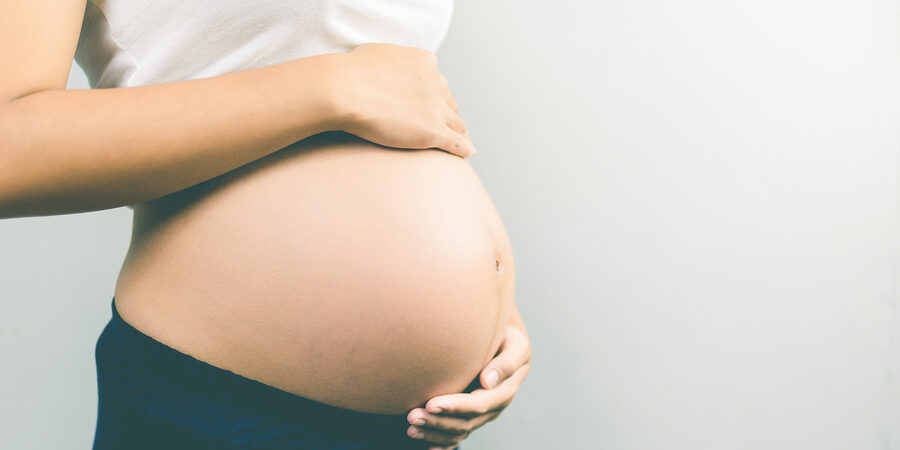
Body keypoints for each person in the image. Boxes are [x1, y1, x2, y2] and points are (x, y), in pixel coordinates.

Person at [0, 1, 533, 449]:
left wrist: (488, 307)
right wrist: (329, 87)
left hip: (416, 424)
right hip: (223, 405)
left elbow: (400, 95)